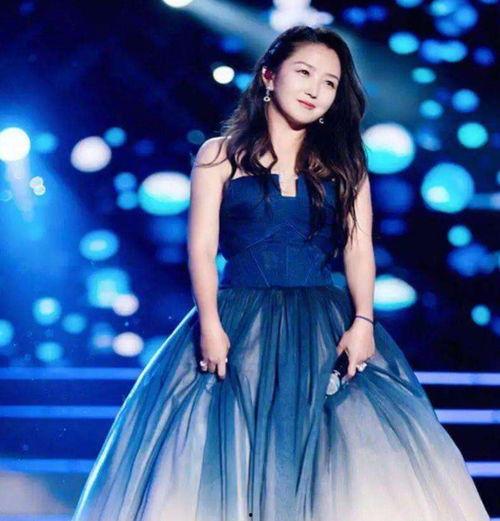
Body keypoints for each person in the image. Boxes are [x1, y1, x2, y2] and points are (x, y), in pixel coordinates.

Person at [72, 25, 490, 521]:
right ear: (269, 76)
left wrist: (363, 321)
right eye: (305, 73)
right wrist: (210, 324)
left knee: (334, 461)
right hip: (237, 318)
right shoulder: (219, 154)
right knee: (227, 455)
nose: (316, 90)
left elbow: (358, 248)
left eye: (330, 82)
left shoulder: (345, 162)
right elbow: (201, 249)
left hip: (322, 323)